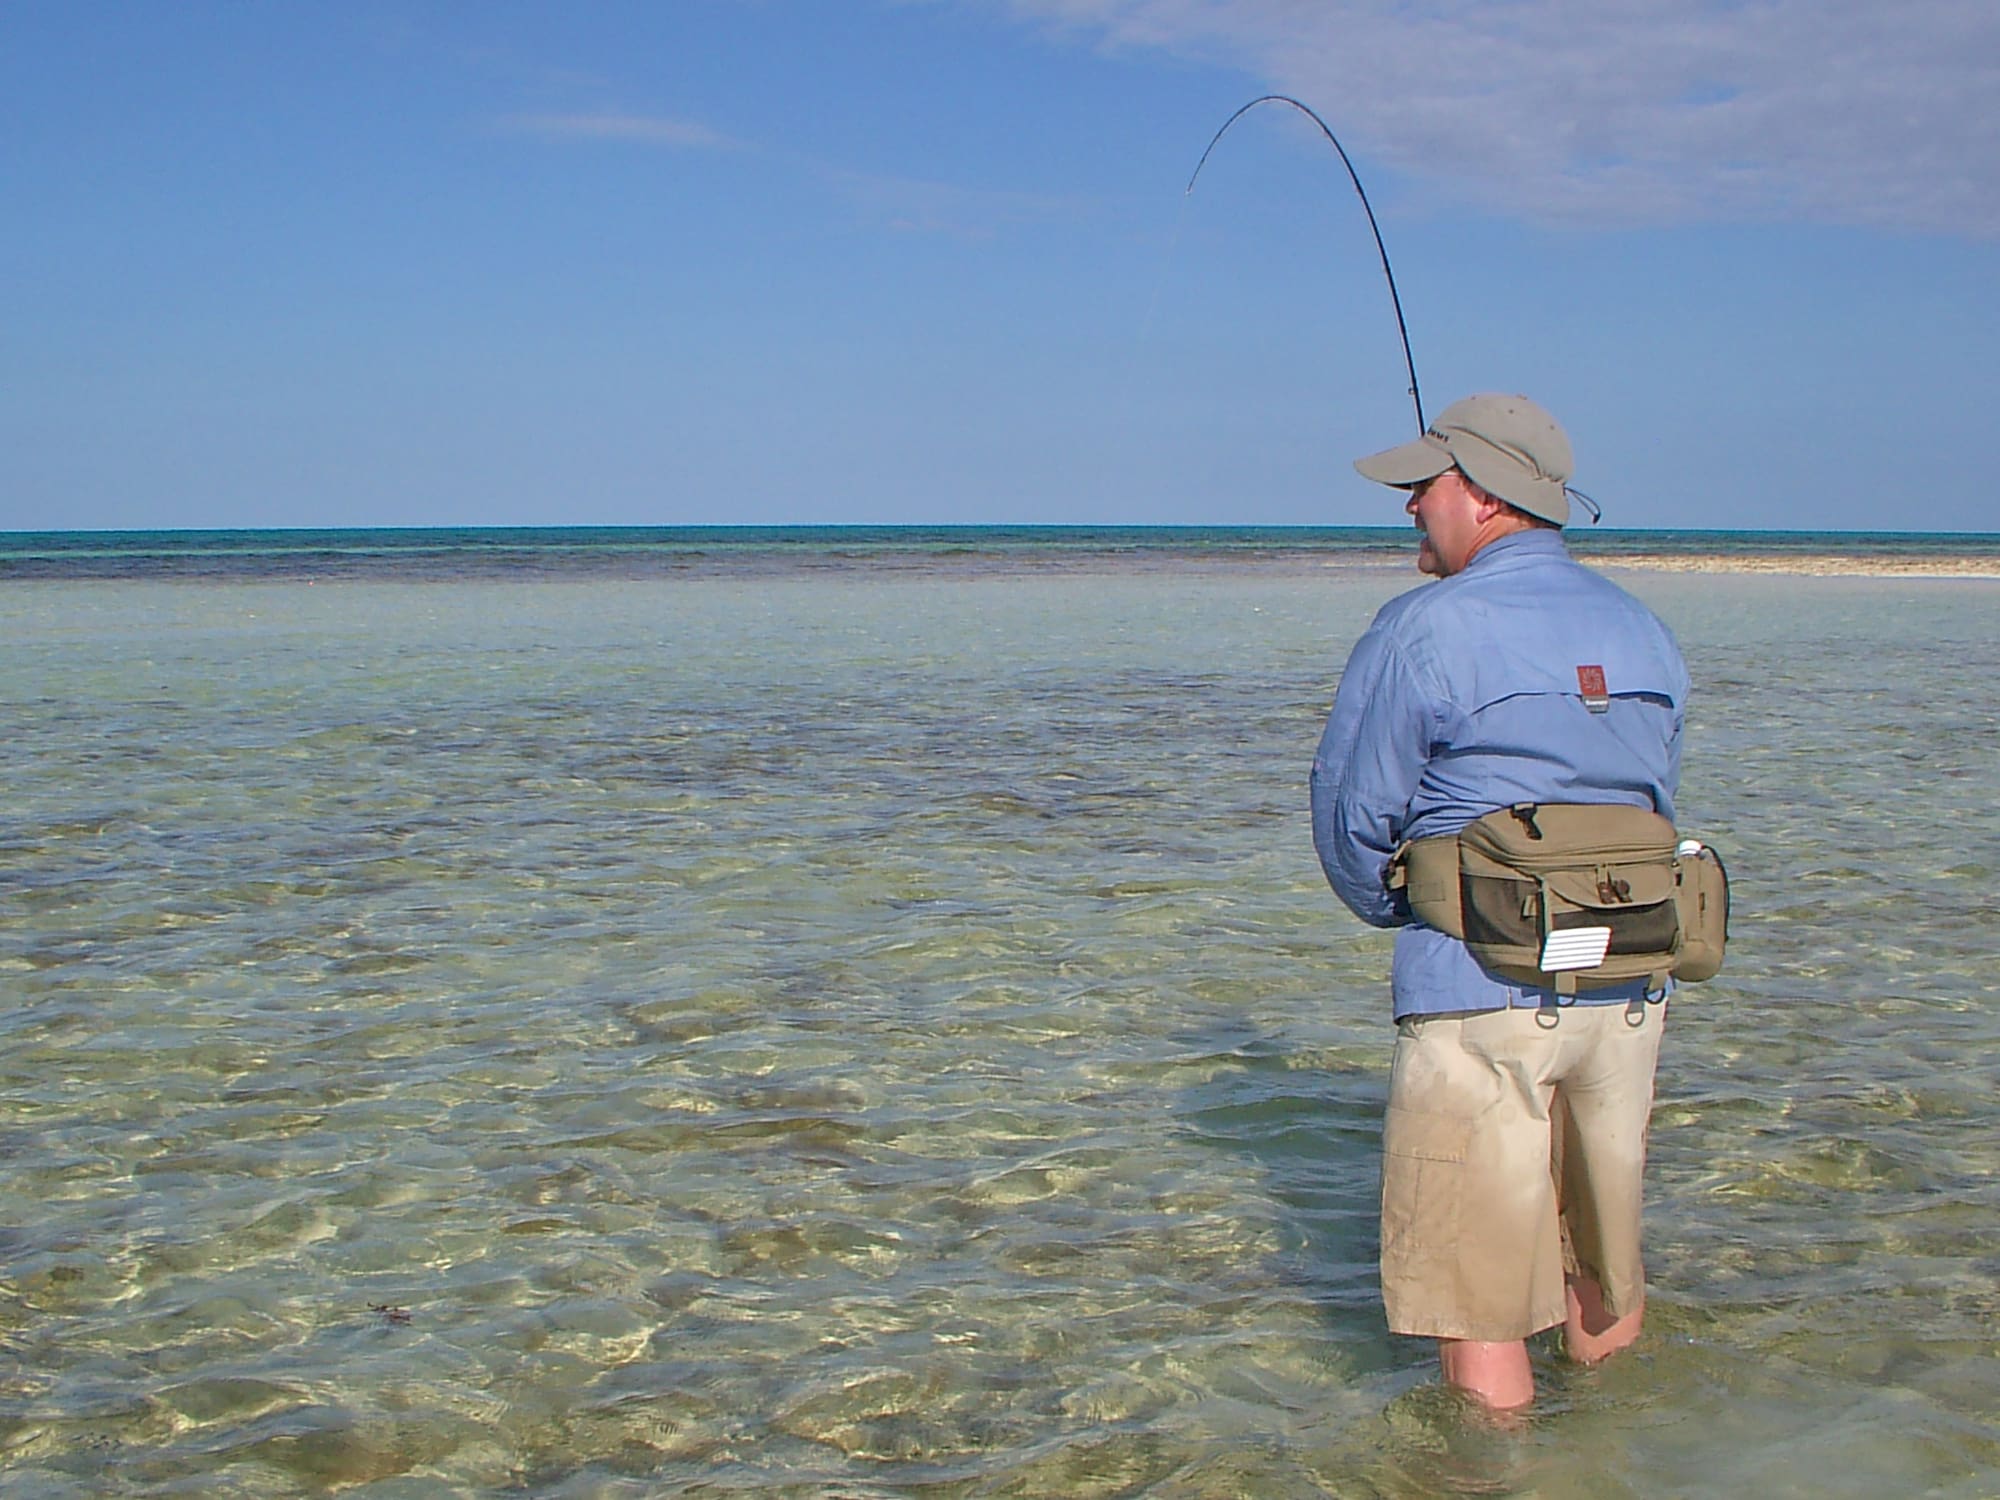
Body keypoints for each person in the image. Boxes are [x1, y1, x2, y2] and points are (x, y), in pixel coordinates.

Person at [1309, 393, 1690, 1411]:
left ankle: (1491, 1477)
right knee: (1602, 1273)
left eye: (1420, 487)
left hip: (1476, 987)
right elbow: (1650, 797)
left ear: (1481, 496)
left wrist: (1410, 914)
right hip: (1629, 993)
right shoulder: (1642, 628)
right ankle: (1611, 1459)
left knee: (1475, 1303)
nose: (1408, 511)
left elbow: (1350, 818)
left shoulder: (1419, 627)